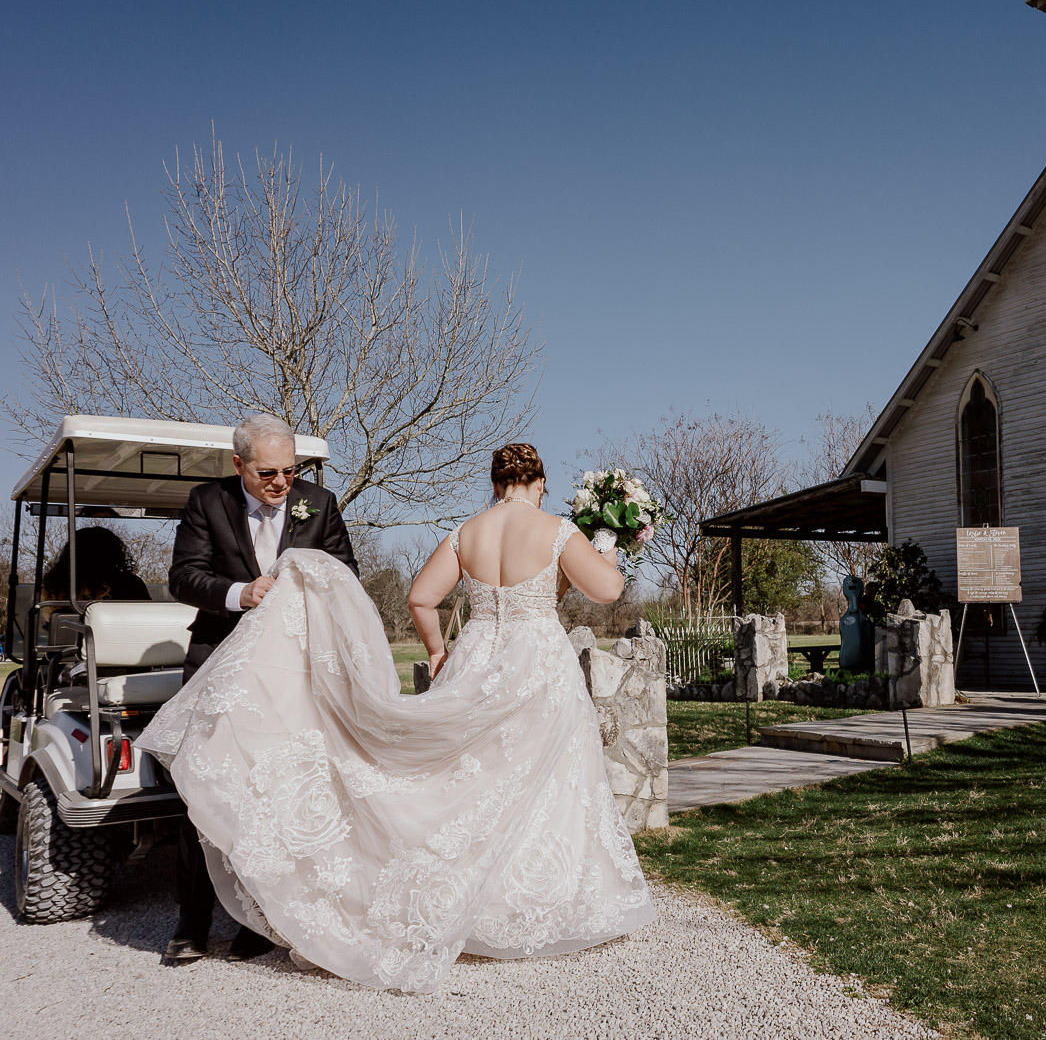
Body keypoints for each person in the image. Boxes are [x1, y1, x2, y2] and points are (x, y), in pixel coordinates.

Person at [141, 442, 655, 993]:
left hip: (477, 658)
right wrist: (607, 542)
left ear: (494, 482)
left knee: (470, 785)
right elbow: (608, 589)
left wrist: (437, 653)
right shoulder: (557, 531)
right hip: (537, 665)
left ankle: (459, 896)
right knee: (550, 781)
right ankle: (532, 902)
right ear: (541, 484)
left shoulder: (466, 533)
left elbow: (419, 598)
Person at [162, 413, 358, 966]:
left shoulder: (318, 503)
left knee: (278, 790)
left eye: (290, 472)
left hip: (290, 671)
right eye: (267, 472)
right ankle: (191, 922)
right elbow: (184, 575)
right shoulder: (208, 502)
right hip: (219, 659)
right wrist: (240, 593)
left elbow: (345, 573)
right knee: (206, 787)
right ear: (239, 464)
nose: (281, 484)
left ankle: (259, 917)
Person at [38, 526, 151, 618]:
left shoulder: (59, 585)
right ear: (114, 554)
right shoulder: (130, 584)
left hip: (69, 645)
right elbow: (148, 617)